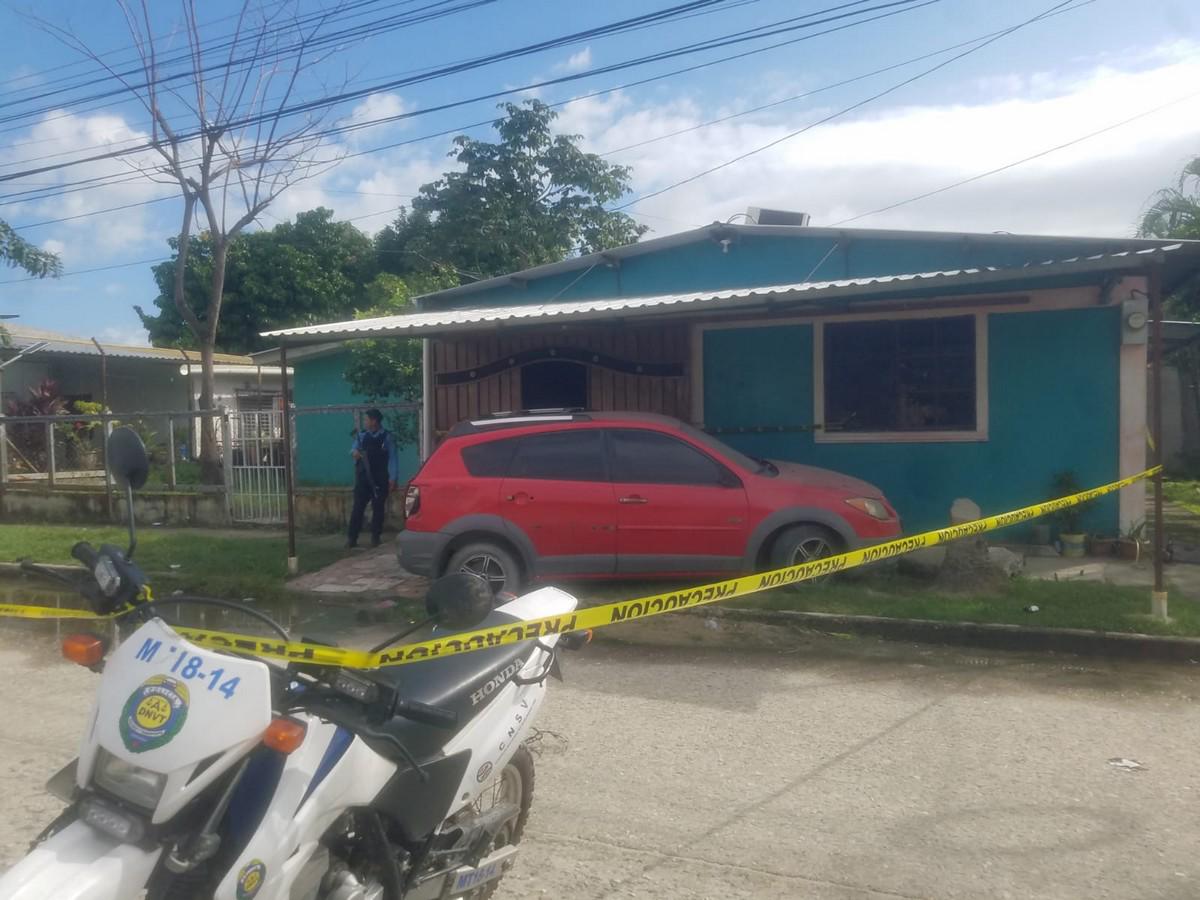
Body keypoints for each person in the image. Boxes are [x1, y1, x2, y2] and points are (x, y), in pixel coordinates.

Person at [347, 409, 399, 549]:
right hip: (364, 479)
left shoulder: (387, 437)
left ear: (374, 421)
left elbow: (393, 458)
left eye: (368, 419)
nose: (366, 421)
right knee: (358, 508)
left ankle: (375, 537)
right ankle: (352, 538)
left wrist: (393, 478)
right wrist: (355, 453)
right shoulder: (362, 436)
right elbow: (353, 451)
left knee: (378, 509)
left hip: (380, 478)